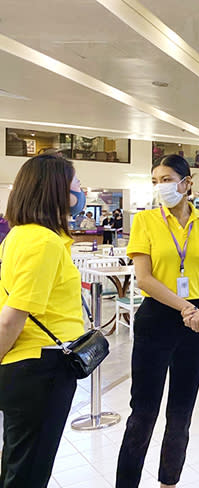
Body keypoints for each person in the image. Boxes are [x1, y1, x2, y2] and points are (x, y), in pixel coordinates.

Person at [116, 154, 199, 488]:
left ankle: (169, 482)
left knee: (181, 412)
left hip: (197, 321)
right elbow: (145, 279)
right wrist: (187, 309)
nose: (160, 186)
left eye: (166, 179)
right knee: (143, 413)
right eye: (155, 181)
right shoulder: (146, 221)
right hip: (158, 317)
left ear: (187, 182)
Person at [0, 154, 86, 487]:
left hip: (28, 367)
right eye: (76, 184)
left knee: (17, 462)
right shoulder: (43, 241)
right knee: (30, 471)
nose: (81, 192)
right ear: (57, 191)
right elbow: (12, 318)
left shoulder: (17, 236)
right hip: (41, 369)